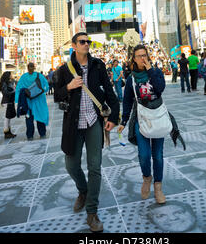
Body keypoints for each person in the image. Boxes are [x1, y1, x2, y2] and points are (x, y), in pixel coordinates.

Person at [55, 32, 119, 233]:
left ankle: (92, 212)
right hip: (73, 125)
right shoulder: (64, 70)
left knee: (95, 167)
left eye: (88, 42)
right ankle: (83, 191)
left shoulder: (98, 65)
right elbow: (57, 94)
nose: (86, 44)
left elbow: (109, 91)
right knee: (71, 165)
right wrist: (68, 86)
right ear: (74, 45)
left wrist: (114, 118)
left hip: (93, 122)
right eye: (82, 42)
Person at [118, 44, 167, 204]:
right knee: (144, 155)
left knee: (158, 156)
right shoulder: (131, 78)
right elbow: (126, 101)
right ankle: (147, 178)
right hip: (141, 118)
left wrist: (151, 71)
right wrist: (124, 121)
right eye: (139, 56)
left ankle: (158, 187)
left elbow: (160, 88)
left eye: (144, 55)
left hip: (158, 116)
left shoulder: (156, 72)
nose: (142, 58)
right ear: (134, 59)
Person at [15, 62, 49, 140]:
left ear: (27, 68)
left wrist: (17, 101)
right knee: (40, 116)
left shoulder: (23, 77)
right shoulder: (39, 76)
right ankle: (42, 133)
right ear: (34, 67)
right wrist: (41, 91)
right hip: (39, 100)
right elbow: (46, 87)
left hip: (28, 101)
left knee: (29, 119)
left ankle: (30, 135)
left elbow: (18, 89)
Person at [0, 71, 17, 139]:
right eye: (11, 74)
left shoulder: (10, 82)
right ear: (8, 75)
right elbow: (5, 92)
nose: (12, 75)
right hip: (6, 101)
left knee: (9, 117)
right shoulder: (4, 83)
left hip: (10, 101)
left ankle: (9, 132)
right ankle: (6, 132)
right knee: (6, 118)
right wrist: (13, 91)